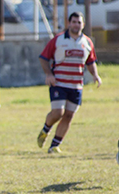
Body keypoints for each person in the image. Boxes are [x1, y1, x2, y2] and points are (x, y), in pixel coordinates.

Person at [36, 12, 102, 153]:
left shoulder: (87, 42)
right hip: (59, 83)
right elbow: (43, 57)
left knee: (69, 115)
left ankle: (54, 146)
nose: (76, 25)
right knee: (58, 112)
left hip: (76, 85)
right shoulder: (58, 40)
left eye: (79, 22)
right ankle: (45, 129)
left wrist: (96, 75)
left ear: (83, 25)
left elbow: (91, 62)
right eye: (74, 22)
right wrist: (49, 74)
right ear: (69, 23)